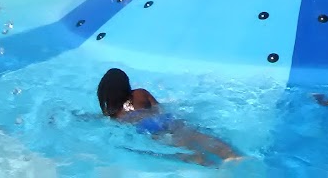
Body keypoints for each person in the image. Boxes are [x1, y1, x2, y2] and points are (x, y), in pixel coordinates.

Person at [96, 68, 242, 166]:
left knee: (187, 150)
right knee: (198, 136)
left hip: (149, 128)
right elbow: (159, 108)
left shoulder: (114, 114)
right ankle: (233, 156)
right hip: (165, 119)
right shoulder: (140, 93)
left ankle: (214, 168)